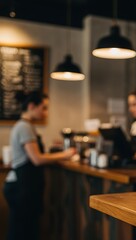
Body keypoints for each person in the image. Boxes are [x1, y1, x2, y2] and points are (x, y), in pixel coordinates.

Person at [3, 91, 76, 240]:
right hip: (22, 187)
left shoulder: (24, 125)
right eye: (44, 108)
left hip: (21, 185)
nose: (46, 113)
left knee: (21, 229)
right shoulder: (24, 127)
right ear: (31, 106)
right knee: (22, 231)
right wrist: (66, 154)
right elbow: (36, 159)